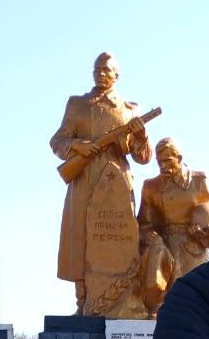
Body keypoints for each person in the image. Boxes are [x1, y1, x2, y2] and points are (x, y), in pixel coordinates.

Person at [49, 52, 153, 311]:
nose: (101, 73)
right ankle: (83, 302)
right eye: (97, 69)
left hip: (116, 180)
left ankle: (123, 300)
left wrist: (141, 136)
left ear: (117, 75)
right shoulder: (77, 104)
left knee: (121, 239)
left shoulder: (130, 110)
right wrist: (77, 146)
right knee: (80, 237)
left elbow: (143, 157)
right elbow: (57, 141)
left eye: (107, 70)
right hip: (84, 176)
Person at [137, 137, 209, 313]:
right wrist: (153, 239)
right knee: (161, 305)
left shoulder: (199, 180)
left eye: (167, 161)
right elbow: (144, 223)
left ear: (179, 158)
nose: (163, 166)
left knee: (193, 301)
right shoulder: (150, 186)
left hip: (193, 249)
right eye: (159, 162)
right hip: (164, 250)